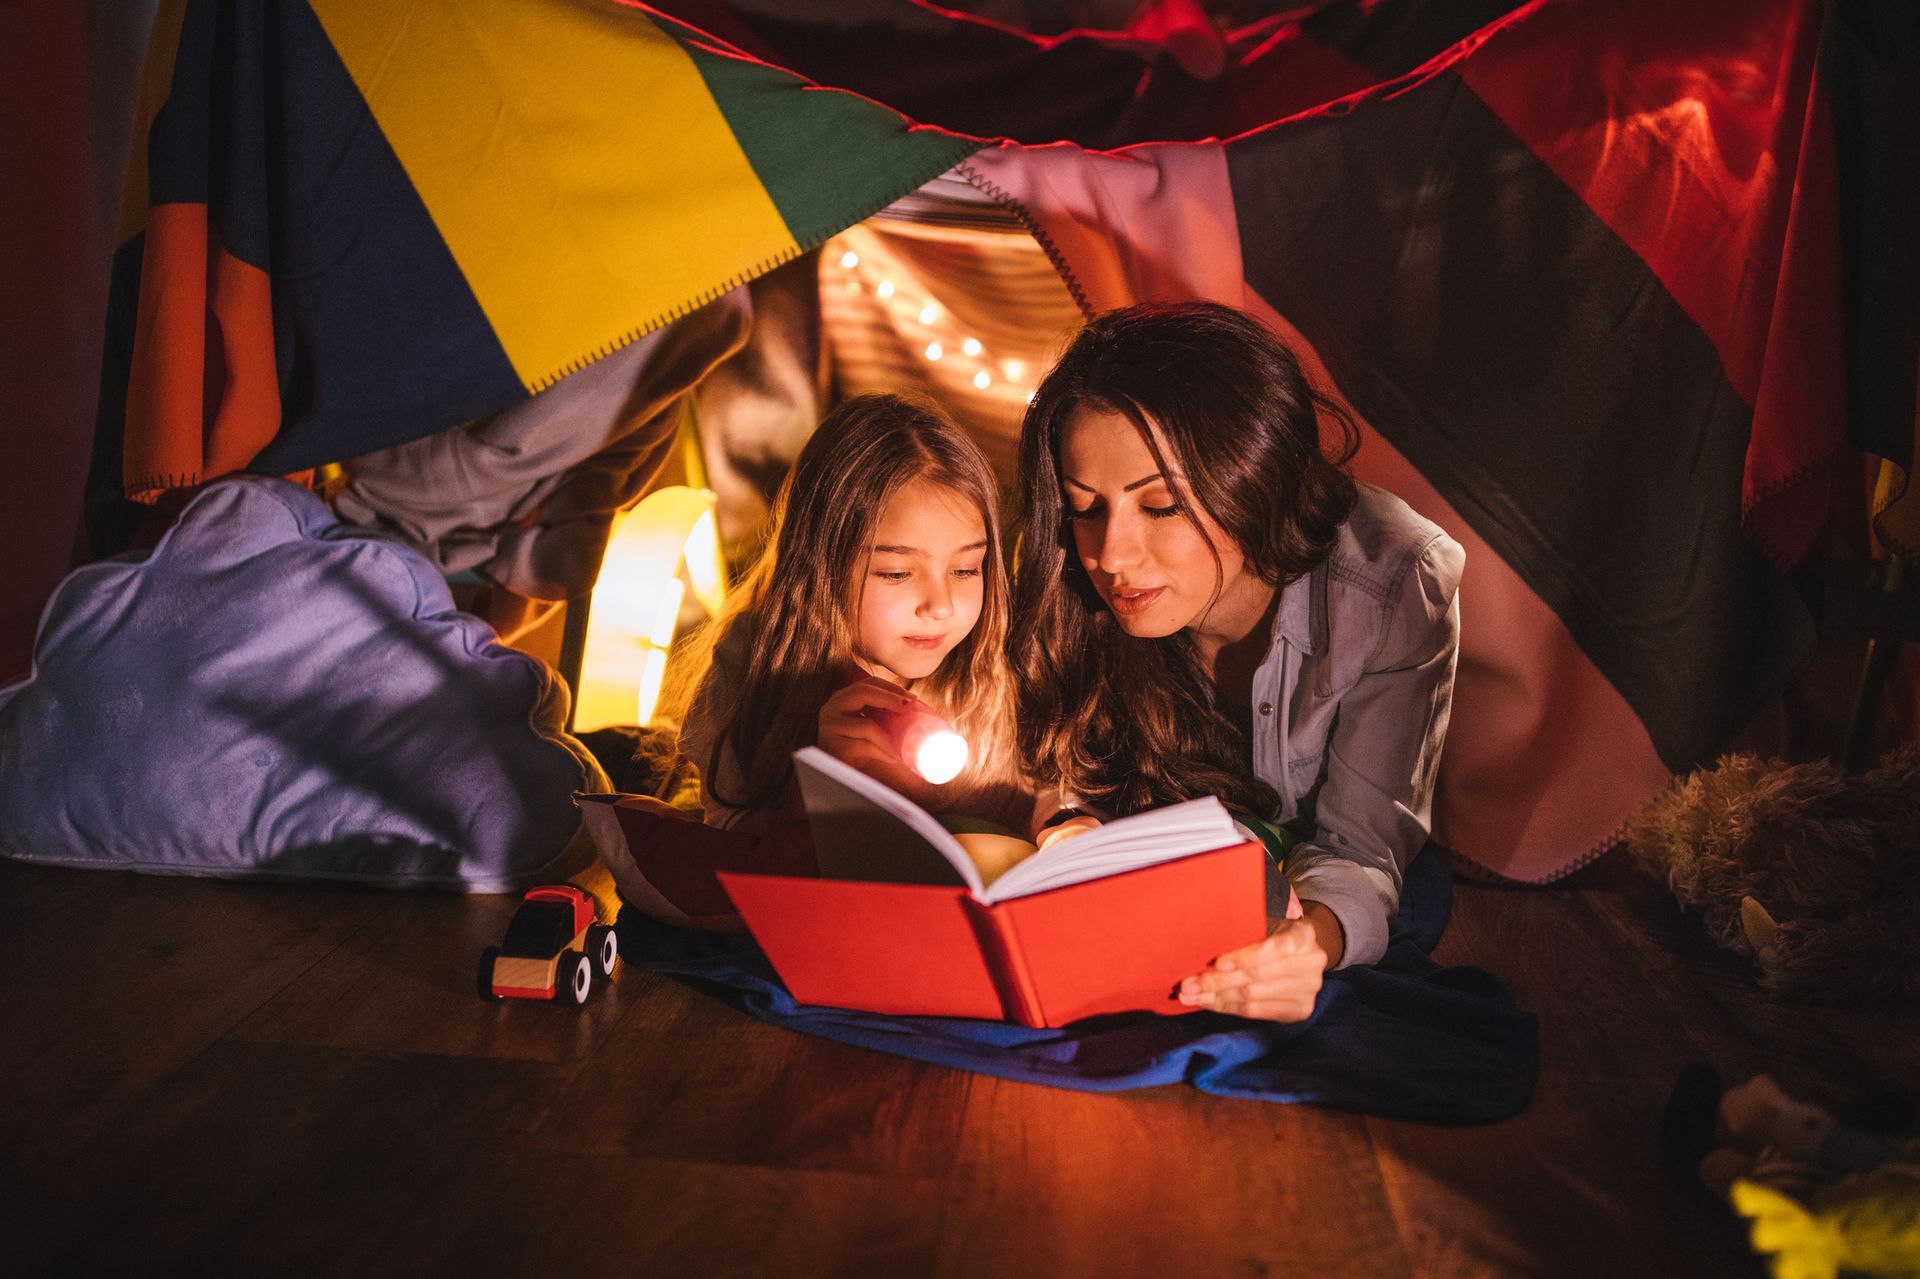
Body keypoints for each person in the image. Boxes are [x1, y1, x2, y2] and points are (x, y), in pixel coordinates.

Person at [1012, 301, 1463, 1023]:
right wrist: (1069, 830)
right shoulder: (1067, 567)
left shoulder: (1395, 581)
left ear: (1252, 480)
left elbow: (1360, 848)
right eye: (1083, 506)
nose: (1110, 555)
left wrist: (1302, 948)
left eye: (1160, 506)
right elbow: (1053, 759)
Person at [676, 393, 1025, 835]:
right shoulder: (756, 661)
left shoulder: (995, 669)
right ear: (821, 563)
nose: (940, 605)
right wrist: (820, 787)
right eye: (896, 573)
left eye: (965, 568)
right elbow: (729, 838)